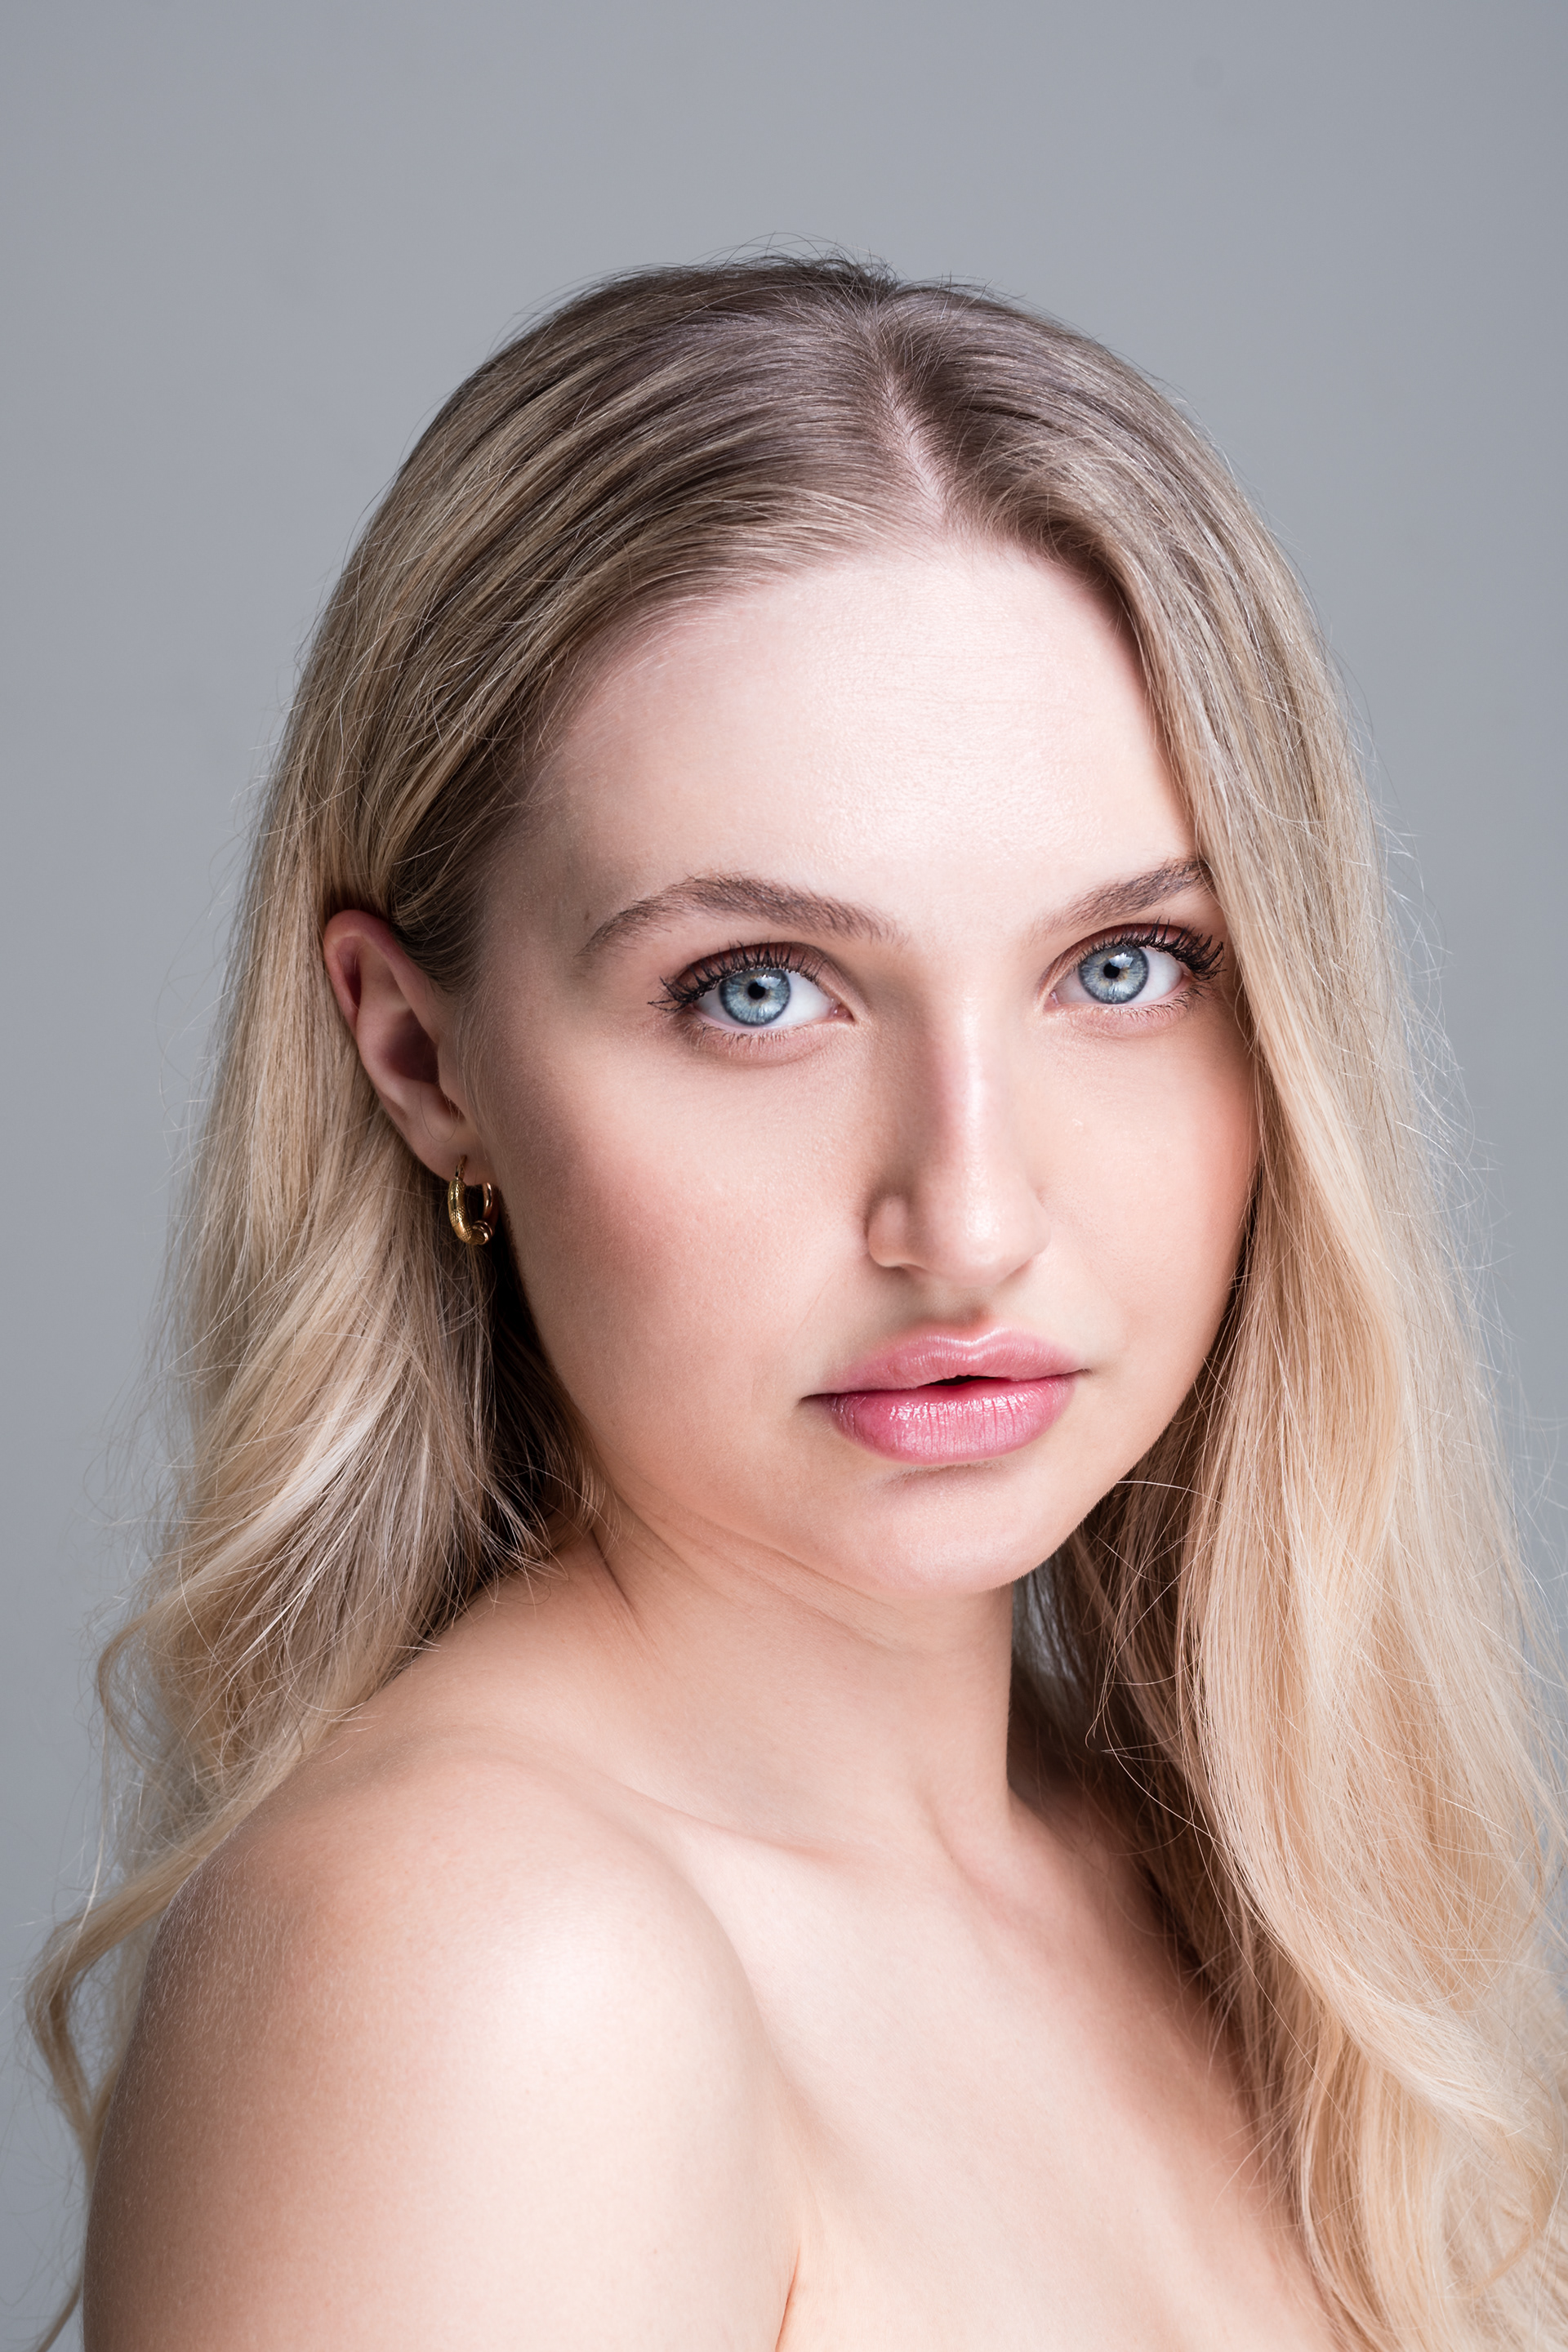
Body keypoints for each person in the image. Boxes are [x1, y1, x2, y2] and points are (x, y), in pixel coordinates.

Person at [31, 258, 1566, 2350]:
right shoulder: (484, 1972)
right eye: (758, 992)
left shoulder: (1203, 1889)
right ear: (420, 1055)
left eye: (1123, 968)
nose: (973, 1217)